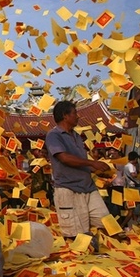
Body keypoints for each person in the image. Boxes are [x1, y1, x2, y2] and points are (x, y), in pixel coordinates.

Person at [45, 101, 110, 245]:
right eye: (75, 113)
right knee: (77, 236)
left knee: (107, 224)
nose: (78, 116)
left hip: (88, 187)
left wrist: (98, 170)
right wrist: (93, 163)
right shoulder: (53, 135)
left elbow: (81, 161)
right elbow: (64, 158)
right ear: (65, 116)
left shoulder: (76, 136)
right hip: (68, 189)